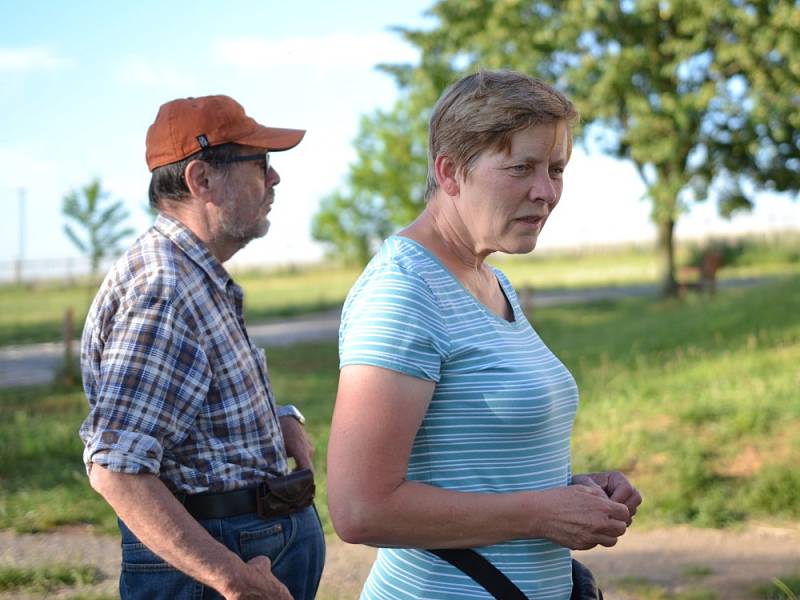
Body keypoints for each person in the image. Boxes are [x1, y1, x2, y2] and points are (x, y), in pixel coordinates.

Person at [327, 71, 642, 599]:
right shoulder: (403, 293)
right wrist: (542, 513)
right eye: (521, 167)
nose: (546, 192)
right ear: (450, 173)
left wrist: (575, 494)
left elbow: (474, 469)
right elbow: (361, 510)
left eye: (556, 169)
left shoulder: (490, 278)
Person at [79, 95, 324, 600]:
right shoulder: (164, 289)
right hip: (219, 559)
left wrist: (276, 418)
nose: (274, 179)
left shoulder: (190, 273)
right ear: (201, 180)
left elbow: (191, 408)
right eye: (260, 164)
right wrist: (232, 578)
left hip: (238, 537)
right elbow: (117, 470)